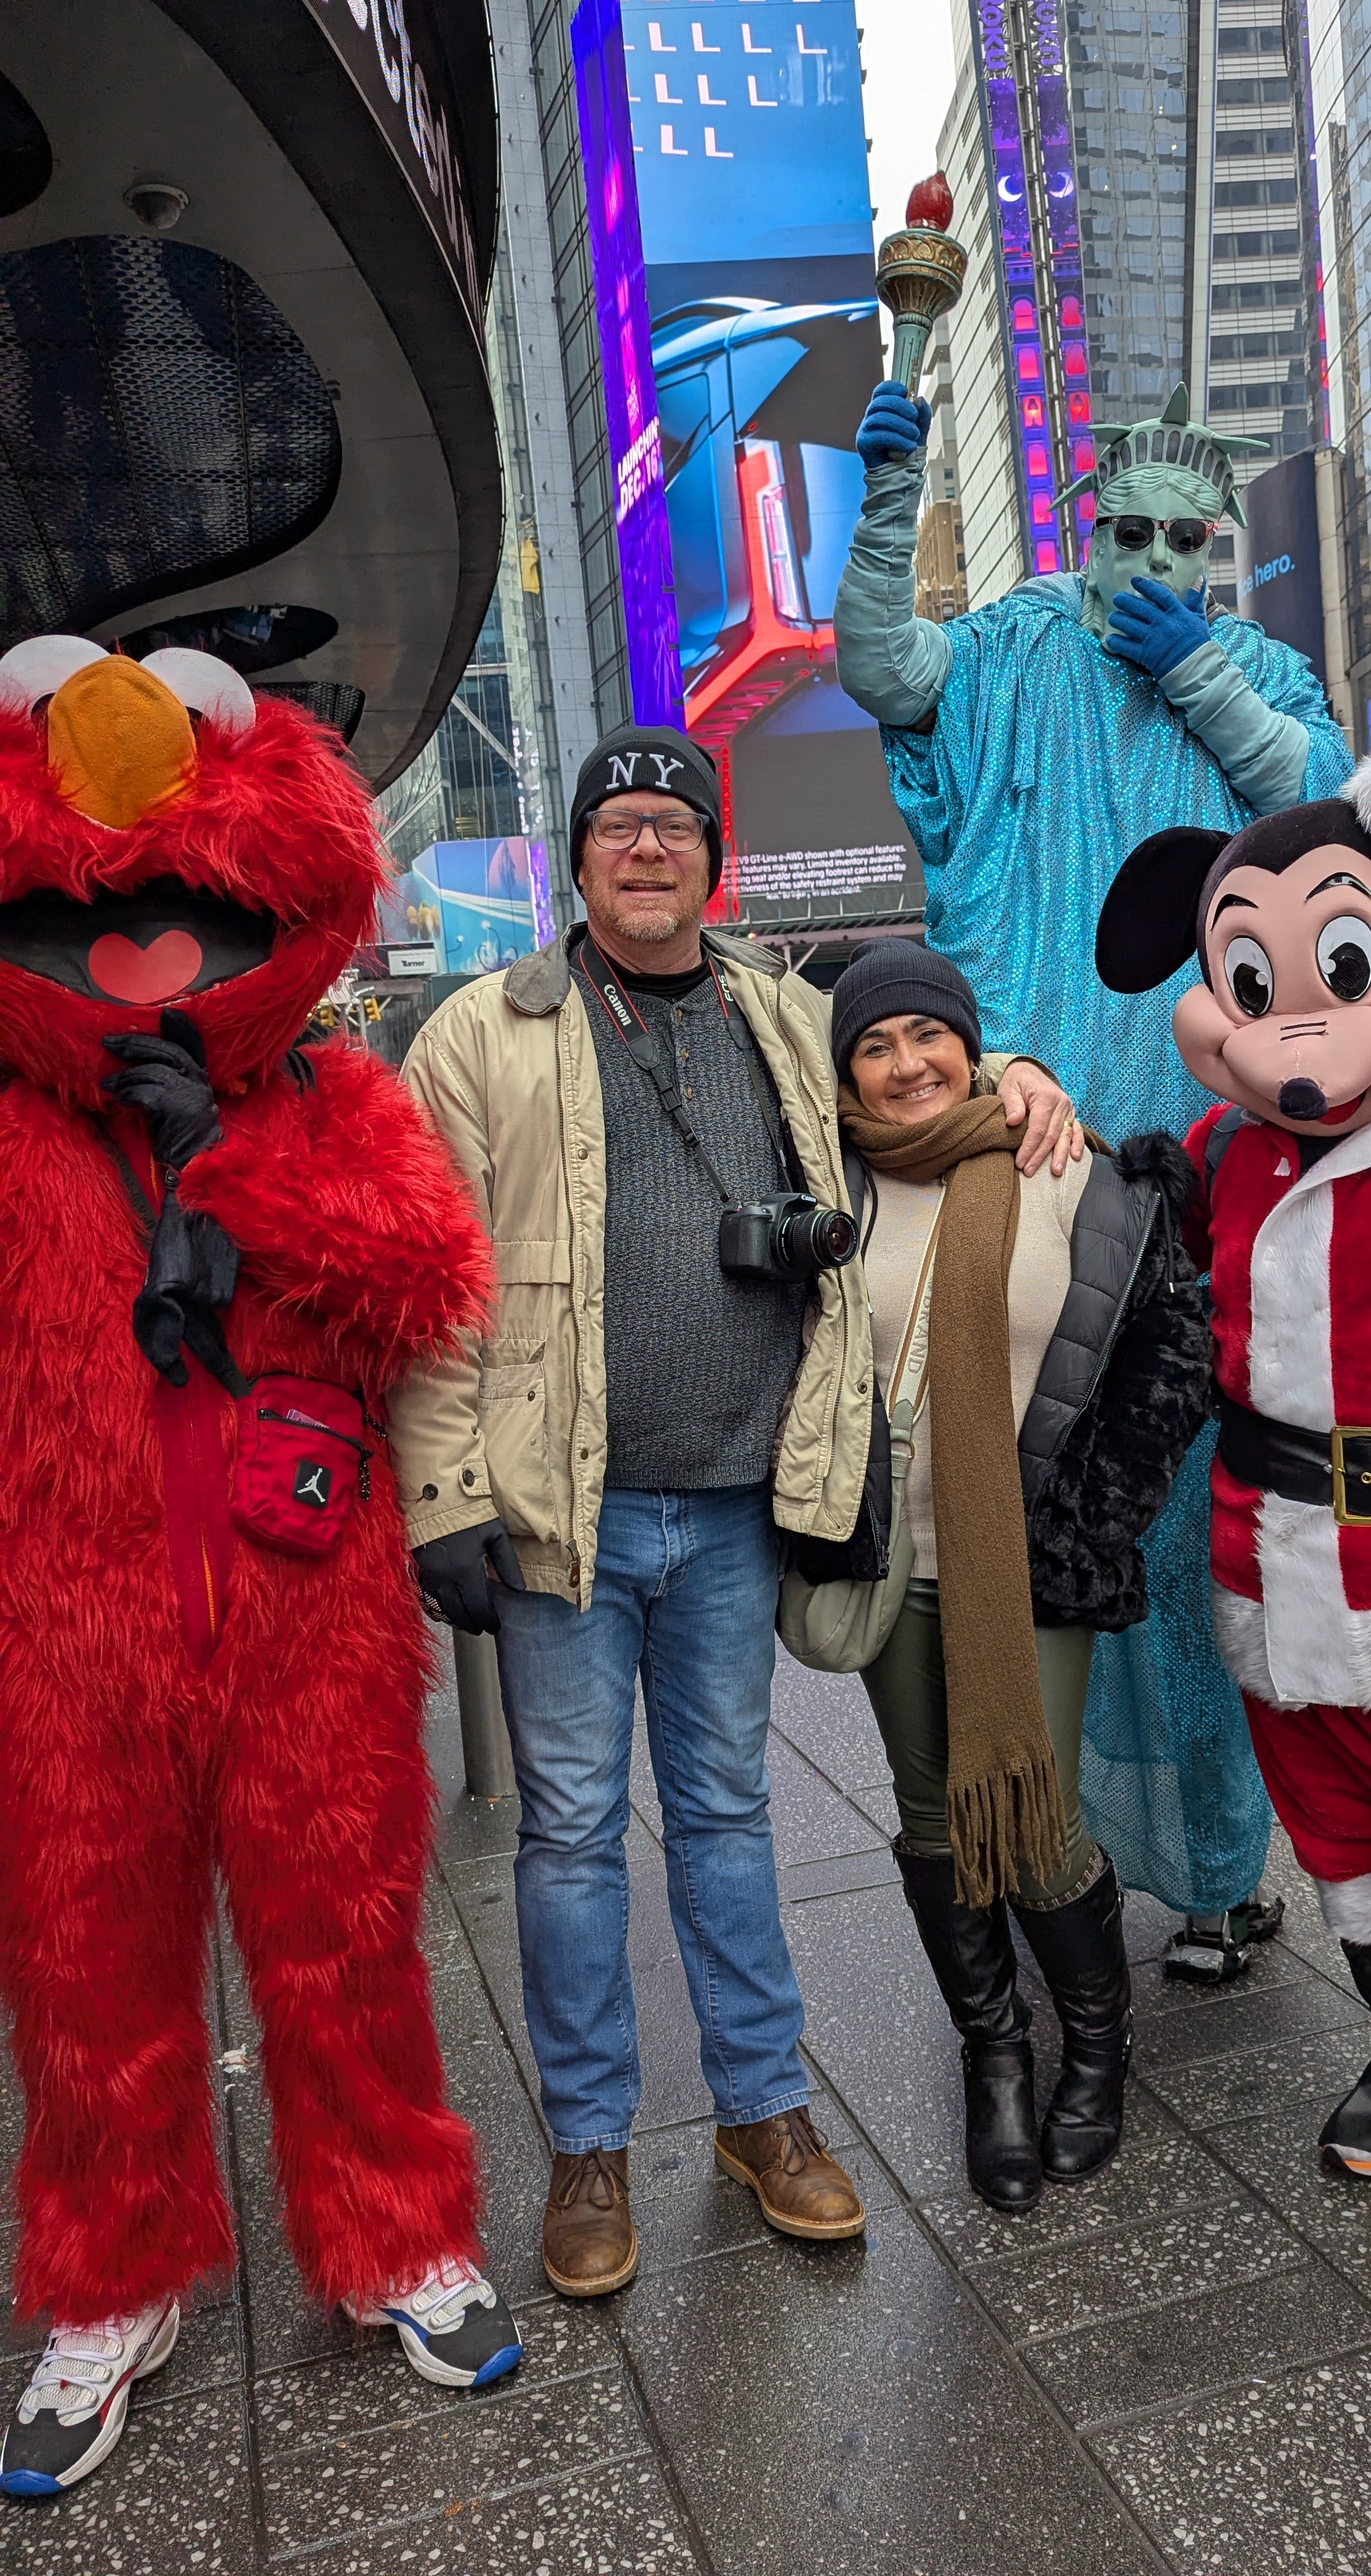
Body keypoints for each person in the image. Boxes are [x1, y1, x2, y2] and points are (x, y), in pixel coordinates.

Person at [386, 726, 1084, 2296]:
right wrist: (440, 1499)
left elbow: (919, 1085)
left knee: (725, 1818)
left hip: (733, 1510)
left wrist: (1025, 1066)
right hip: (559, 1509)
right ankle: (587, 2146)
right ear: (577, 857)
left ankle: (765, 2115)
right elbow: (427, 1286)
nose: (647, 850)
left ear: (718, 861)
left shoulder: (785, 1013)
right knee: (569, 1835)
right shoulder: (474, 1034)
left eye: (675, 829)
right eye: (618, 826)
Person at [0, 640, 520, 2508]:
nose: (141, 946)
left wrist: (233, 1169)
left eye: (190, 908)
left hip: (305, 1601)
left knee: (345, 1945)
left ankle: (394, 2235)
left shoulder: (324, 1090)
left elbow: (417, 1283)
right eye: (95, 909)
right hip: (63, 1635)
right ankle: (109, 2283)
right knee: (86, 1976)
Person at [833, 375, 1356, 1976]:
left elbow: (1327, 815)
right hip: (1027, 1158)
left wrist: (1206, 677)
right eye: (1120, 530)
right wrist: (886, 495)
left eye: (1183, 540)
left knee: (1196, 1520)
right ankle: (1033, 1847)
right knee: (1027, 1499)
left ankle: (1214, 1870)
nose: (1149, 558)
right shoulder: (1003, 651)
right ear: (1081, 527)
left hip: (1217, 1166)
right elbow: (882, 667)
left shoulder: (1258, 664)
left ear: (1219, 545)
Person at [1095, 749, 1371, 2193]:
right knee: (1343, 1840)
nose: (1301, 1027)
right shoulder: (1221, 1149)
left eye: (1346, 959)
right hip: (1275, 1573)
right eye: (1257, 980)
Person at [821, 940, 1208, 2212]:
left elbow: (1169, 1343)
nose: (905, 1064)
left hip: (1029, 1562)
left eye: (927, 1036)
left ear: (972, 1047)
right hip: (892, 1566)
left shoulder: (1058, 1165)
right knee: (932, 1823)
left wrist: (1101, 1513)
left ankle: (1096, 2049)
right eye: (874, 1047)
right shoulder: (830, 1183)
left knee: (1036, 1824)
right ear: (848, 1075)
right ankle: (997, 2052)